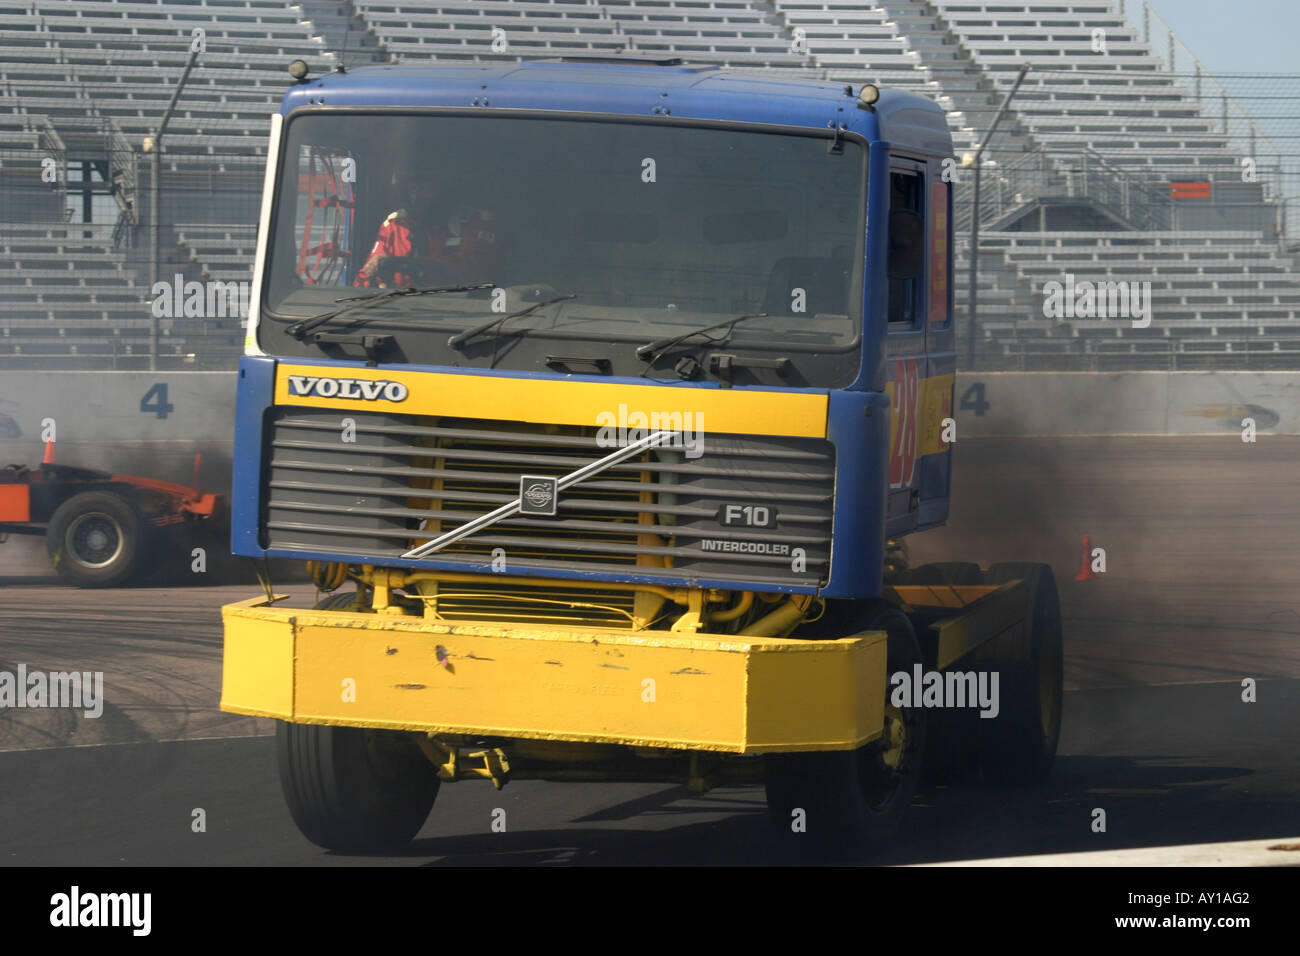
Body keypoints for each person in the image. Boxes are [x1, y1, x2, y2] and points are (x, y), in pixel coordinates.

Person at [353, 173, 503, 288]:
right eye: (412, 189)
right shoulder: (396, 223)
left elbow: (474, 271)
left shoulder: (478, 222)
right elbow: (366, 276)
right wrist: (375, 267)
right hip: (399, 314)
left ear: (445, 191)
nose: (416, 197)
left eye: (426, 190)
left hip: (463, 316)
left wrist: (411, 266)